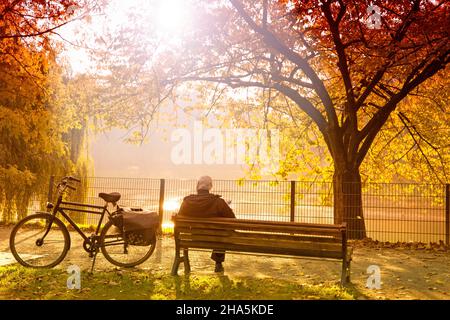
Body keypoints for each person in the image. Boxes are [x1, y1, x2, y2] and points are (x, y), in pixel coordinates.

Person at [177, 175, 236, 272]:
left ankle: (186, 263)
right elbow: (233, 220)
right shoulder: (218, 202)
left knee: (220, 232)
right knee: (222, 232)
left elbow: (180, 222)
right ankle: (218, 263)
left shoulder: (187, 202)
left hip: (193, 238)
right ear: (210, 186)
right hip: (216, 239)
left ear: (197, 186)